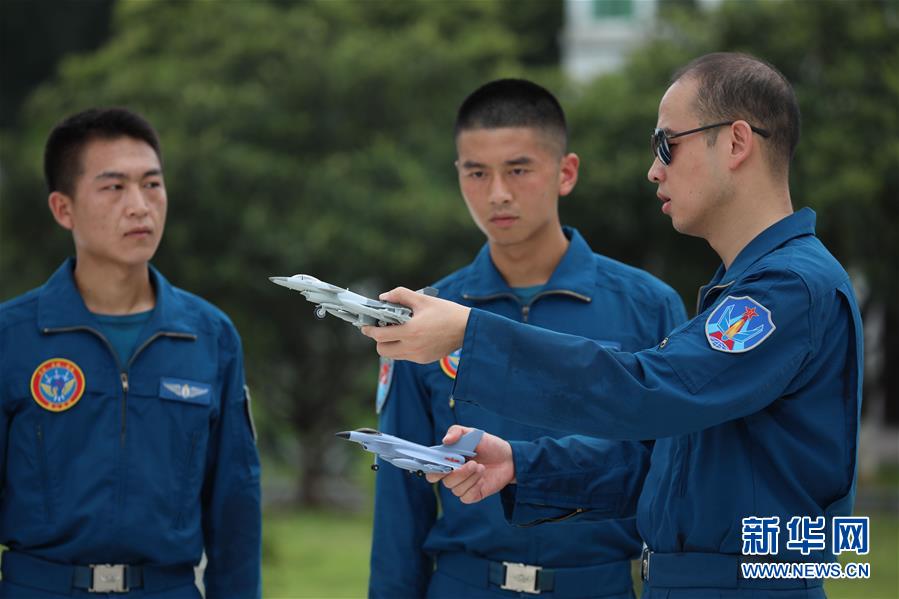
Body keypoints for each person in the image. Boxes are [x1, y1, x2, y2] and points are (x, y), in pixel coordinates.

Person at [363, 53, 864, 598]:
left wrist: (470, 334)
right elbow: (666, 462)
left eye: (667, 144)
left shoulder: (785, 290)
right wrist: (520, 466)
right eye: (477, 172)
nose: (654, 169)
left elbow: (647, 391)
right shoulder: (750, 287)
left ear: (737, 142)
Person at [369, 79, 687, 599]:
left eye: (518, 169)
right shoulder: (426, 314)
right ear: (458, 176)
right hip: (465, 582)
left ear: (566, 172)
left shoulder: (648, 306)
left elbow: (670, 472)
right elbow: (399, 494)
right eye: (477, 172)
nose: (497, 193)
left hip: (598, 584)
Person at [0, 108, 261, 598]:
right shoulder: (12, 337)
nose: (140, 206)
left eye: (152, 184)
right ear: (63, 208)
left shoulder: (210, 337)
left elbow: (236, 512)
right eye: (114, 187)